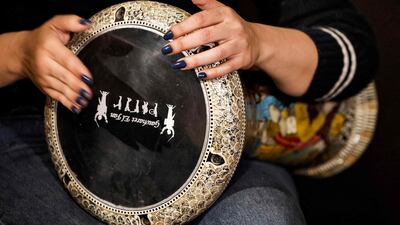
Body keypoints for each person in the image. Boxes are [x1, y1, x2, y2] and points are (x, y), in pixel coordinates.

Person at [0, 0, 377, 224]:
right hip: (48, 131)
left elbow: (352, 51)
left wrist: (259, 42)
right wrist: (20, 53)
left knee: (259, 216)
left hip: (213, 141)